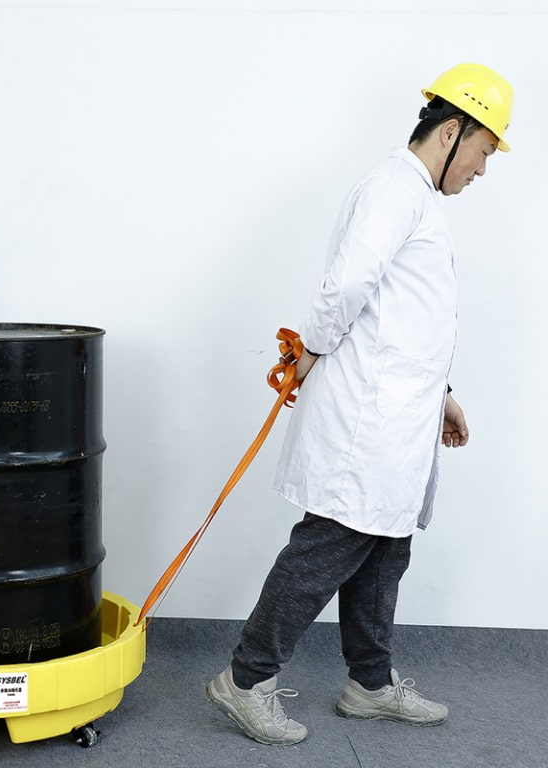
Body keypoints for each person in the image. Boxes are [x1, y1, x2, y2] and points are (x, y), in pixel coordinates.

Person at [205, 63, 514, 746]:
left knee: (386, 549)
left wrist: (443, 395)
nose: (483, 169)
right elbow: (347, 286)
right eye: (484, 150)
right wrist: (311, 348)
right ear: (452, 131)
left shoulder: (419, 198)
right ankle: (246, 679)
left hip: (401, 415)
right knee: (327, 548)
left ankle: (368, 684)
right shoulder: (393, 190)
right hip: (366, 420)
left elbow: (406, 317)